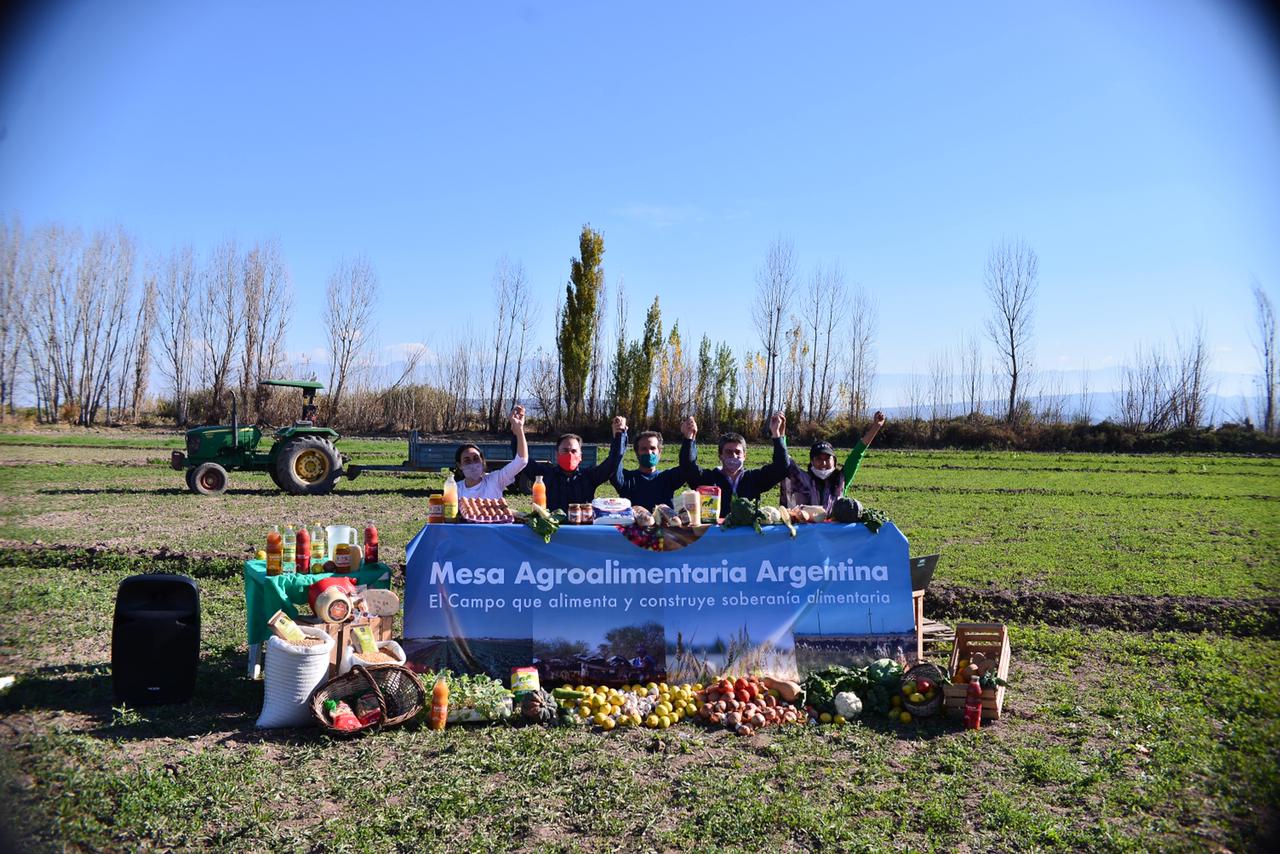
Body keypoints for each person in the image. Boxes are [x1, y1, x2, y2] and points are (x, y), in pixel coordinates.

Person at [781, 411, 885, 510]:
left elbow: (857, 454)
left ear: (834, 461)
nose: (823, 463)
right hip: (806, 528)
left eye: (827, 458)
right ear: (811, 461)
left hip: (835, 529)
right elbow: (785, 461)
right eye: (818, 459)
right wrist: (780, 433)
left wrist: (876, 427)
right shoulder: (802, 479)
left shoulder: (841, 479)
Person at [678, 411, 791, 501]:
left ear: (744, 456)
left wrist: (777, 435)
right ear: (720, 455)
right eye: (728, 452)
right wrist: (689, 438)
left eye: (738, 452)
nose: (734, 456)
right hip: (717, 530)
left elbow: (782, 467)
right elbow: (687, 467)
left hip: (748, 530)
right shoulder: (709, 479)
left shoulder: (753, 479)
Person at [522, 416, 626, 513]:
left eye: (574, 451)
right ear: (557, 454)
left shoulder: (589, 476)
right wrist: (518, 430)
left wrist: (620, 434)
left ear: (580, 456)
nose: (570, 454)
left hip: (581, 531)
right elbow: (522, 460)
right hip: (552, 530)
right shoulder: (546, 474)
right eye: (565, 450)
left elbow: (613, 462)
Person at [454, 405, 529, 500]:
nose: (473, 463)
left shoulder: (495, 480)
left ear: (482, 460)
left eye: (476, 458)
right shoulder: (456, 489)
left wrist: (519, 429)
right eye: (467, 460)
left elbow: (521, 461)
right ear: (459, 465)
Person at [610, 427, 689, 511]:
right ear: (637, 453)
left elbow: (687, 466)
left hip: (664, 523)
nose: (649, 452)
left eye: (653, 448)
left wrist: (689, 438)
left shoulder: (668, 478)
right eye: (644, 449)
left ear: (659, 452)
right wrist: (620, 436)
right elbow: (614, 463)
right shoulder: (626, 479)